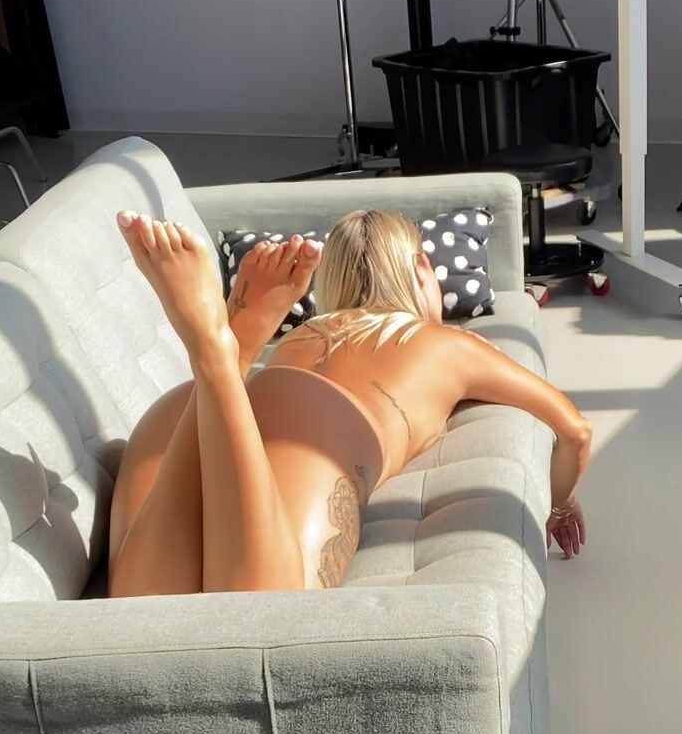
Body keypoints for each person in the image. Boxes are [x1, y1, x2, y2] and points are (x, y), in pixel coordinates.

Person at [108, 207, 592, 599]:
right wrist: (560, 503)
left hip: (195, 411)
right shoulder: (448, 344)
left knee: (141, 610)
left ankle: (225, 358)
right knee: (263, 605)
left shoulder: (298, 336)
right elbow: (575, 430)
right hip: (319, 425)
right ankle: (219, 354)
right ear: (422, 269)